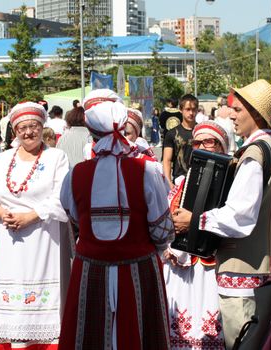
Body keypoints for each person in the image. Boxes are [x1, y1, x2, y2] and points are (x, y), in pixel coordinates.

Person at [172, 79, 271, 348]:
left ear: (257, 113)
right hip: (263, 272)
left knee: (241, 341)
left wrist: (196, 219)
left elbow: (240, 216)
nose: (232, 115)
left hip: (241, 275)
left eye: (238, 110)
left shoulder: (253, 155)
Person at [59, 89, 174, 349]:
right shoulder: (147, 170)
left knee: (89, 335)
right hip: (139, 266)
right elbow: (161, 228)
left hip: (91, 267)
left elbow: (74, 217)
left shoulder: (76, 173)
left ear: (91, 133)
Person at [0, 102, 70, 350]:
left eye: (34, 126)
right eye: (23, 128)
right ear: (14, 131)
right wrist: (0, 212)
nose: (29, 132)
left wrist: (31, 215)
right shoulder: (2, 159)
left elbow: (61, 198)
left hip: (42, 237)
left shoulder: (56, 157)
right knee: (11, 300)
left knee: (42, 299)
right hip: (9, 239)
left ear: (42, 127)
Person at [164, 121, 228, 350]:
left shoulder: (230, 182)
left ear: (221, 146)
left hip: (210, 269)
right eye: (197, 142)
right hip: (180, 269)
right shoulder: (181, 181)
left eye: (209, 141)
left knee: (208, 332)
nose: (202, 146)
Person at [163, 94, 198, 188]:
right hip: (179, 182)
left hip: (198, 181)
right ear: (181, 110)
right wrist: (168, 182)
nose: (191, 113)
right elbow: (167, 160)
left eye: (194, 109)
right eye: (187, 109)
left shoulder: (202, 132)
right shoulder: (172, 133)